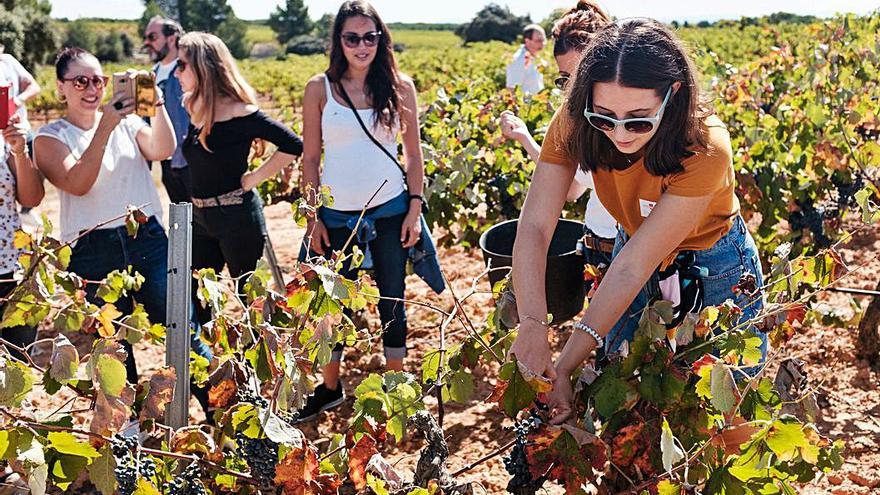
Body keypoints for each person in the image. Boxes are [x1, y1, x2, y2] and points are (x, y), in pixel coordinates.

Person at [506, 19, 768, 424]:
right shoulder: (574, 120)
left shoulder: (704, 145)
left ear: (673, 93)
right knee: (622, 394)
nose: (621, 134)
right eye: (604, 118)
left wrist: (566, 362)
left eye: (639, 119)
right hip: (635, 244)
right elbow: (536, 226)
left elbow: (632, 268)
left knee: (724, 412)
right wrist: (533, 325)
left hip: (715, 263)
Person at [33, 48, 212, 411]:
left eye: (98, 80)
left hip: (146, 239)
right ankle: (129, 434)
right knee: (112, 348)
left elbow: (163, 148)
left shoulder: (129, 124)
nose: (92, 88)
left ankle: (219, 409)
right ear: (60, 88)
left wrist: (156, 103)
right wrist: (106, 126)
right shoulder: (49, 138)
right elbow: (77, 181)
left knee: (181, 327)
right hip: (92, 250)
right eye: (80, 80)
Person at [296, 0, 435, 422]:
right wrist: (312, 217)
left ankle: (397, 390)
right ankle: (331, 388)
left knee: (392, 299)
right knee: (331, 307)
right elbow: (309, 159)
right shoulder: (319, 89)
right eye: (352, 37)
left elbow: (413, 157)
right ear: (339, 42)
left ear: (381, 39)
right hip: (337, 218)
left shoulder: (401, 87)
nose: (361, 45)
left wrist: (415, 206)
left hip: (392, 211)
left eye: (369, 37)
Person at [175, 32, 303, 323]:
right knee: (199, 297)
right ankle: (213, 364)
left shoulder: (240, 112)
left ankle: (257, 366)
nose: (177, 72)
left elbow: (294, 144)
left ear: (202, 66)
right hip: (201, 217)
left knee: (251, 301)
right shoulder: (193, 106)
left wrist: (253, 178)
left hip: (237, 217)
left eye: (182, 65)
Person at [499, 1, 616, 285]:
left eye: (582, 76)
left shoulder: (632, 122)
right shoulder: (575, 121)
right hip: (598, 240)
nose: (575, 89)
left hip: (633, 248)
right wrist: (526, 139)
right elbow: (572, 189)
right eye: (566, 79)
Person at [0, 115, 45, 361]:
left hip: (12, 272)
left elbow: (31, 199)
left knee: (16, 366)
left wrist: (20, 152)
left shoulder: (4, 139)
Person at [143, 16, 192, 203]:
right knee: (181, 224)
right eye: (146, 37)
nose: (147, 42)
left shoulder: (190, 72)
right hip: (169, 168)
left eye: (153, 37)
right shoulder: (147, 79)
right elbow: (145, 123)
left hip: (194, 165)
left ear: (171, 39)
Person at [505, 24, 546, 95]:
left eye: (543, 40)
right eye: (538, 40)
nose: (542, 43)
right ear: (527, 41)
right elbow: (511, 90)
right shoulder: (518, 61)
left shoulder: (536, 57)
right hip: (525, 105)